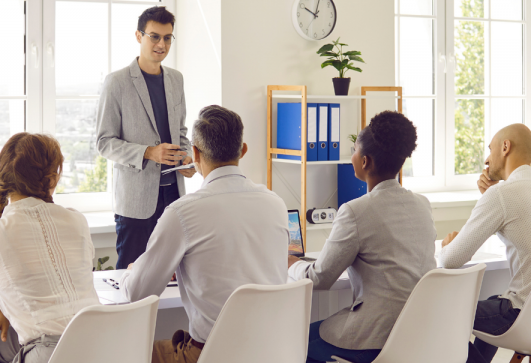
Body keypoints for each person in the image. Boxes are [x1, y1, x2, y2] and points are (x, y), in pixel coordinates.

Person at [120, 105, 288, 363]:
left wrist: (132, 273)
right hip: (273, 352)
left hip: (213, 354)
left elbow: (137, 293)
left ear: (195, 154)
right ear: (242, 150)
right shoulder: (275, 203)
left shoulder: (183, 212)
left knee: (125, 352)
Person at [288, 111, 436, 363]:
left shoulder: (356, 211)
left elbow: (320, 278)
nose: (351, 156)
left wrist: (293, 264)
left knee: (290, 340)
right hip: (419, 334)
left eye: (354, 150)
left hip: (376, 337)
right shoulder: (423, 204)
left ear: (365, 161)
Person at [439, 124, 531, 363]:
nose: (486, 159)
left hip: (526, 316)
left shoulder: (502, 195)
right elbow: (526, 221)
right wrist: (495, 197)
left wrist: (446, 246)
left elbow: (451, 260)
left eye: (490, 148)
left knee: (441, 312)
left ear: (505, 147)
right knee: (497, 300)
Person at [0, 133, 100, 363]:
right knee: (3, 345)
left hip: (50, 354)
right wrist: (6, 309)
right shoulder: (77, 221)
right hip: (105, 344)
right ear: (52, 179)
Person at [95, 6, 195, 269]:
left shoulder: (176, 80)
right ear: (139, 36)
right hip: (136, 203)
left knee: (176, 276)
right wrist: (148, 152)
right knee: (130, 277)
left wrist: (188, 158)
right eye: (154, 36)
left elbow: (181, 132)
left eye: (167, 37)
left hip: (175, 197)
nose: (161, 44)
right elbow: (104, 142)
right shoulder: (116, 82)